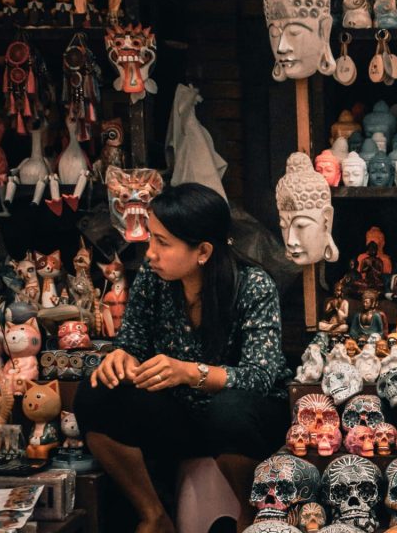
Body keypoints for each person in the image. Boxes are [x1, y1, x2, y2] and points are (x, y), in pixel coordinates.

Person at [73, 183, 290, 533]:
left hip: (245, 428)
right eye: (151, 239)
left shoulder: (252, 285)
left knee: (228, 409)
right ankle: (154, 515)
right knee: (95, 393)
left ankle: (254, 516)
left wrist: (190, 372)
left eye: (163, 243)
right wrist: (121, 359)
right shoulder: (152, 279)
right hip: (180, 417)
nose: (150, 254)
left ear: (202, 251)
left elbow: (259, 377)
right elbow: (133, 343)